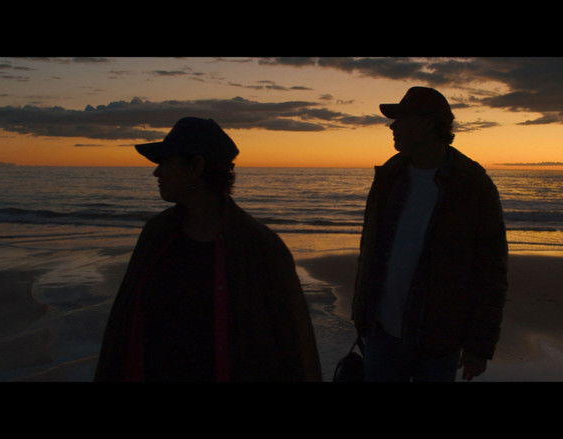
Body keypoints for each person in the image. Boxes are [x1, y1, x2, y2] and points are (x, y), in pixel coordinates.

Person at [94, 117, 322, 382]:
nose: (157, 173)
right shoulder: (156, 234)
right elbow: (123, 329)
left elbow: (294, 347)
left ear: (196, 166)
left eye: (166, 162)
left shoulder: (260, 247)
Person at [351, 87, 508, 382]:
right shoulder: (389, 176)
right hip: (381, 332)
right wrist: (362, 316)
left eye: (402, 119)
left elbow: (491, 271)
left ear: (427, 124)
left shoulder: (471, 184)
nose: (393, 126)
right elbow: (370, 250)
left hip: (438, 338)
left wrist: (479, 346)